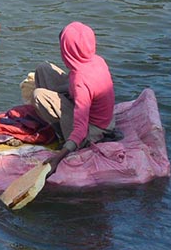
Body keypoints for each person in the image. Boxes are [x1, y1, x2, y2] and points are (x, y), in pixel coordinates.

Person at [33, 21, 119, 173]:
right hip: (101, 114)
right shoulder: (97, 60)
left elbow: (80, 128)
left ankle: (62, 135)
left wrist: (59, 157)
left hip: (93, 129)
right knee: (43, 69)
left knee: (39, 95)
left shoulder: (81, 81)